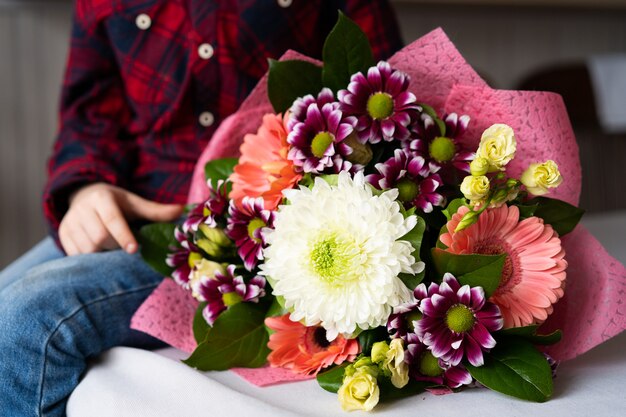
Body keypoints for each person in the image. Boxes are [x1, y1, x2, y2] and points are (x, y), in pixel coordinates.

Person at [0, 1, 402, 415]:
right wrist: (86, 188)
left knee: (23, 325)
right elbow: (90, 115)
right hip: (133, 213)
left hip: (257, 236)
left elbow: (381, 99)